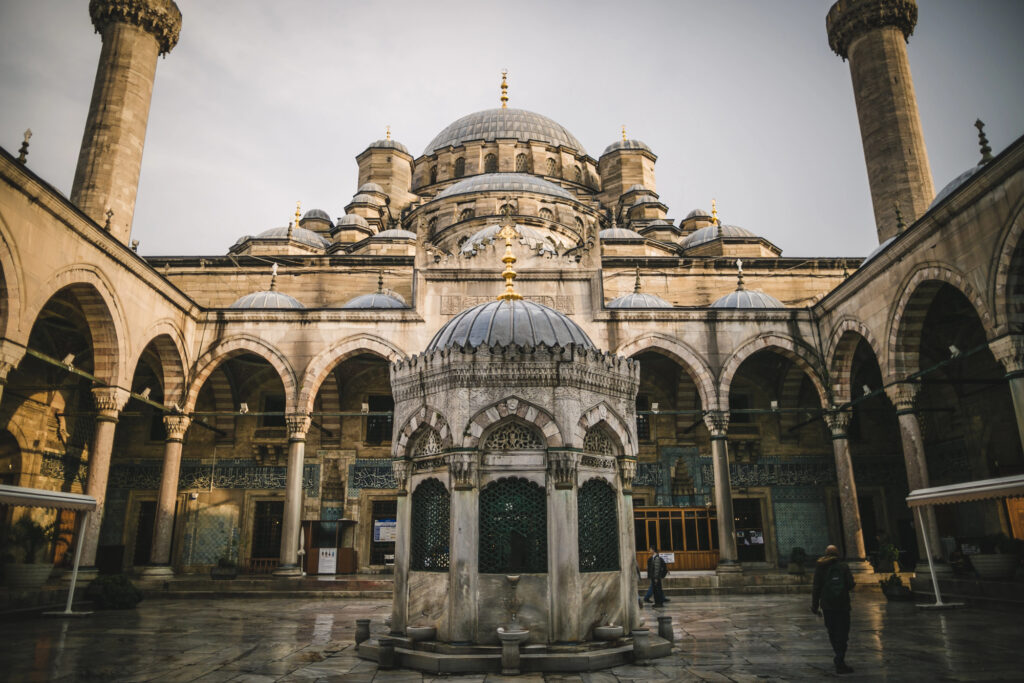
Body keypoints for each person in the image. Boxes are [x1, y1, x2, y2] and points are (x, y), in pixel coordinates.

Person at [811, 544, 856, 675]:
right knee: (843, 632)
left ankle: (838, 655)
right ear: (838, 554)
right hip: (842, 604)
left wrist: (814, 605)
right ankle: (840, 658)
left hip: (827, 605)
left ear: (826, 553)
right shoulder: (843, 566)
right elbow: (850, 584)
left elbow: (816, 587)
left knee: (832, 631)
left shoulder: (820, 567)